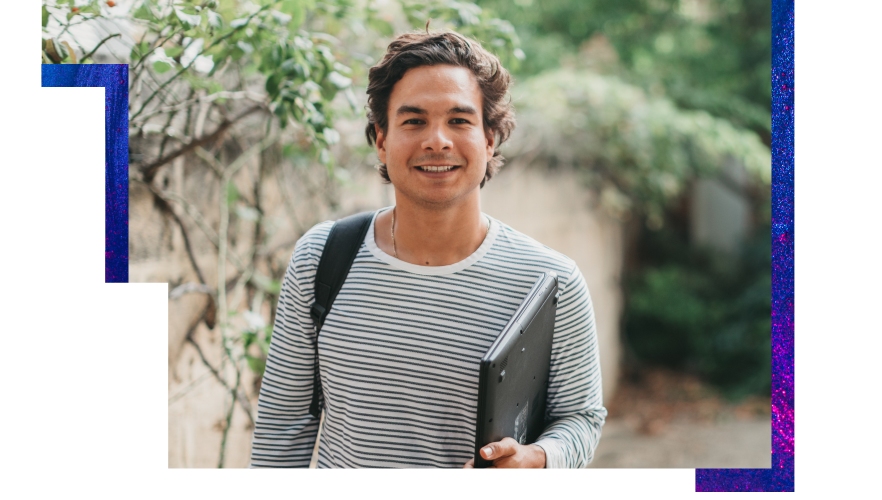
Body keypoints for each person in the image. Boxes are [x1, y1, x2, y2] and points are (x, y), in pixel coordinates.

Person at [250, 30, 606, 468]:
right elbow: (283, 425)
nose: (437, 140)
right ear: (381, 139)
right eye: (413, 121)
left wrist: (539, 459)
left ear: (490, 138)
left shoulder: (551, 281)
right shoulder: (323, 257)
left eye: (459, 120)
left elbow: (581, 418)